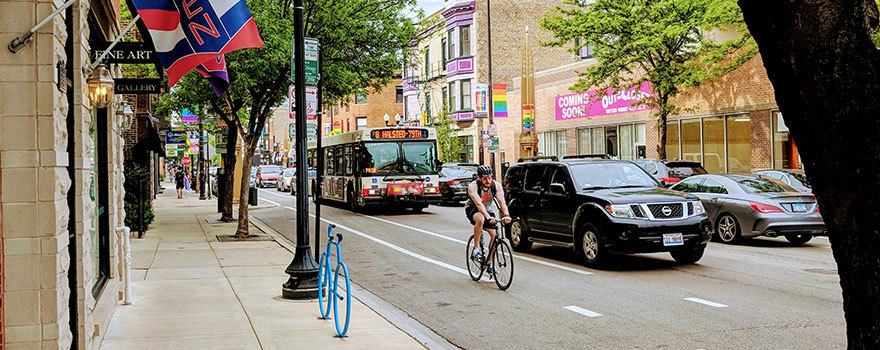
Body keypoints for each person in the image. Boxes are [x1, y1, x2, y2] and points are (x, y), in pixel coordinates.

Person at [465, 165, 511, 275]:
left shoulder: (496, 185)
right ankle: (476, 248)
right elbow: (478, 203)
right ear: (479, 178)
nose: (488, 180)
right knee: (480, 219)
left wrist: (506, 215)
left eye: (490, 177)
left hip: (488, 209)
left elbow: (501, 202)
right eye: (485, 178)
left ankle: (490, 263)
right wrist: (487, 217)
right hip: (473, 209)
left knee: (495, 236)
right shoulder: (473, 186)